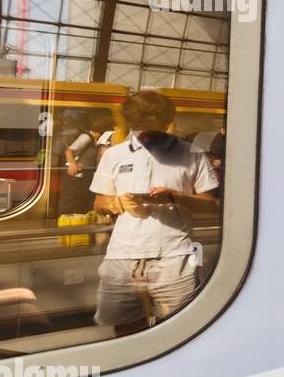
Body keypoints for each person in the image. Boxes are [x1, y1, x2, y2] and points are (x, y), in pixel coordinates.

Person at [90, 91, 220, 336]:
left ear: (166, 122)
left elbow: (212, 207)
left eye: (153, 128)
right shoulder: (114, 155)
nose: (146, 134)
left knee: (178, 329)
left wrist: (174, 197)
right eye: (140, 128)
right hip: (122, 255)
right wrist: (116, 202)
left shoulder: (192, 153)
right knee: (125, 326)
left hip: (175, 256)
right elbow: (98, 203)